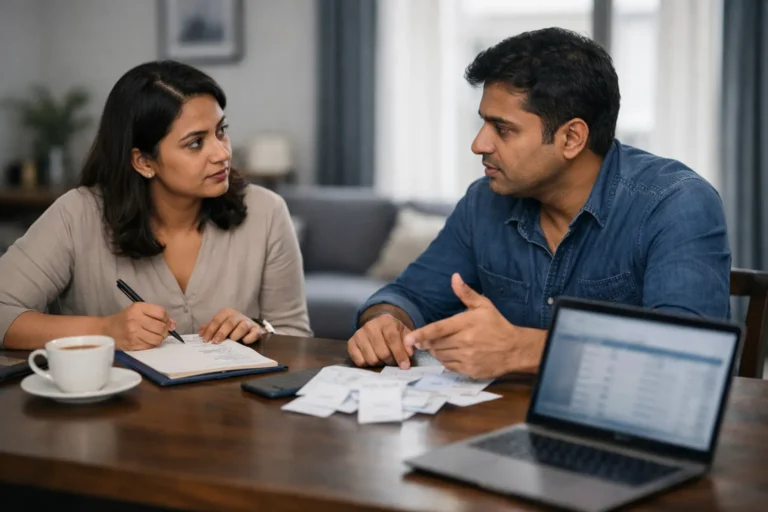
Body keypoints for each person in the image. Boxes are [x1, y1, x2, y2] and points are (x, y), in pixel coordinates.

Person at [347, 28, 730, 379]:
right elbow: (408, 296)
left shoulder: (676, 204)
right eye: (482, 123)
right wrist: (386, 321)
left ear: (571, 138)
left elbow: (688, 357)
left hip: (624, 442)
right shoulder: (484, 202)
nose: (479, 144)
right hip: (498, 429)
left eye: (503, 129)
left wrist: (523, 348)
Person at [0, 60, 311, 350]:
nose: (222, 153)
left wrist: (258, 330)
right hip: (112, 407)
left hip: (231, 408)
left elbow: (295, 335)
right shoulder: (77, 215)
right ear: (143, 161)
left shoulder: (266, 212)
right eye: (195, 143)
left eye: (221, 132)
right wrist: (104, 330)